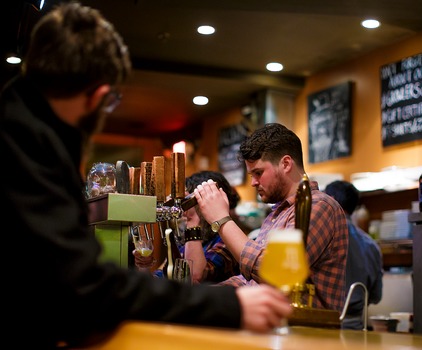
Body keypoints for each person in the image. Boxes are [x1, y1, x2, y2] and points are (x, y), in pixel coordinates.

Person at [0, 3, 291, 348]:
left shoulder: (19, 129)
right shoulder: (25, 144)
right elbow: (82, 289)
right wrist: (227, 305)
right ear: (97, 95)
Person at [193, 123, 349, 312]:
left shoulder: (319, 206)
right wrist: (199, 298)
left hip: (306, 334)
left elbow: (277, 274)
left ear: (286, 164)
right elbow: (251, 282)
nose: (253, 182)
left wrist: (222, 219)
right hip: (275, 330)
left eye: (258, 173)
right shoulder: (277, 213)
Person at [134, 171, 241, 284]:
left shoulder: (226, 241)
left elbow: (194, 277)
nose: (184, 209)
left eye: (189, 202)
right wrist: (144, 266)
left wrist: (192, 221)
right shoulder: (185, 244)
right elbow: (156, 282)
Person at [324, 180, 383, 330]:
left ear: (330, 199)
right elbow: (376, 297)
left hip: (323, 327)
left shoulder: (321, 236)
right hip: (357, 329)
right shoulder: (371, 245)